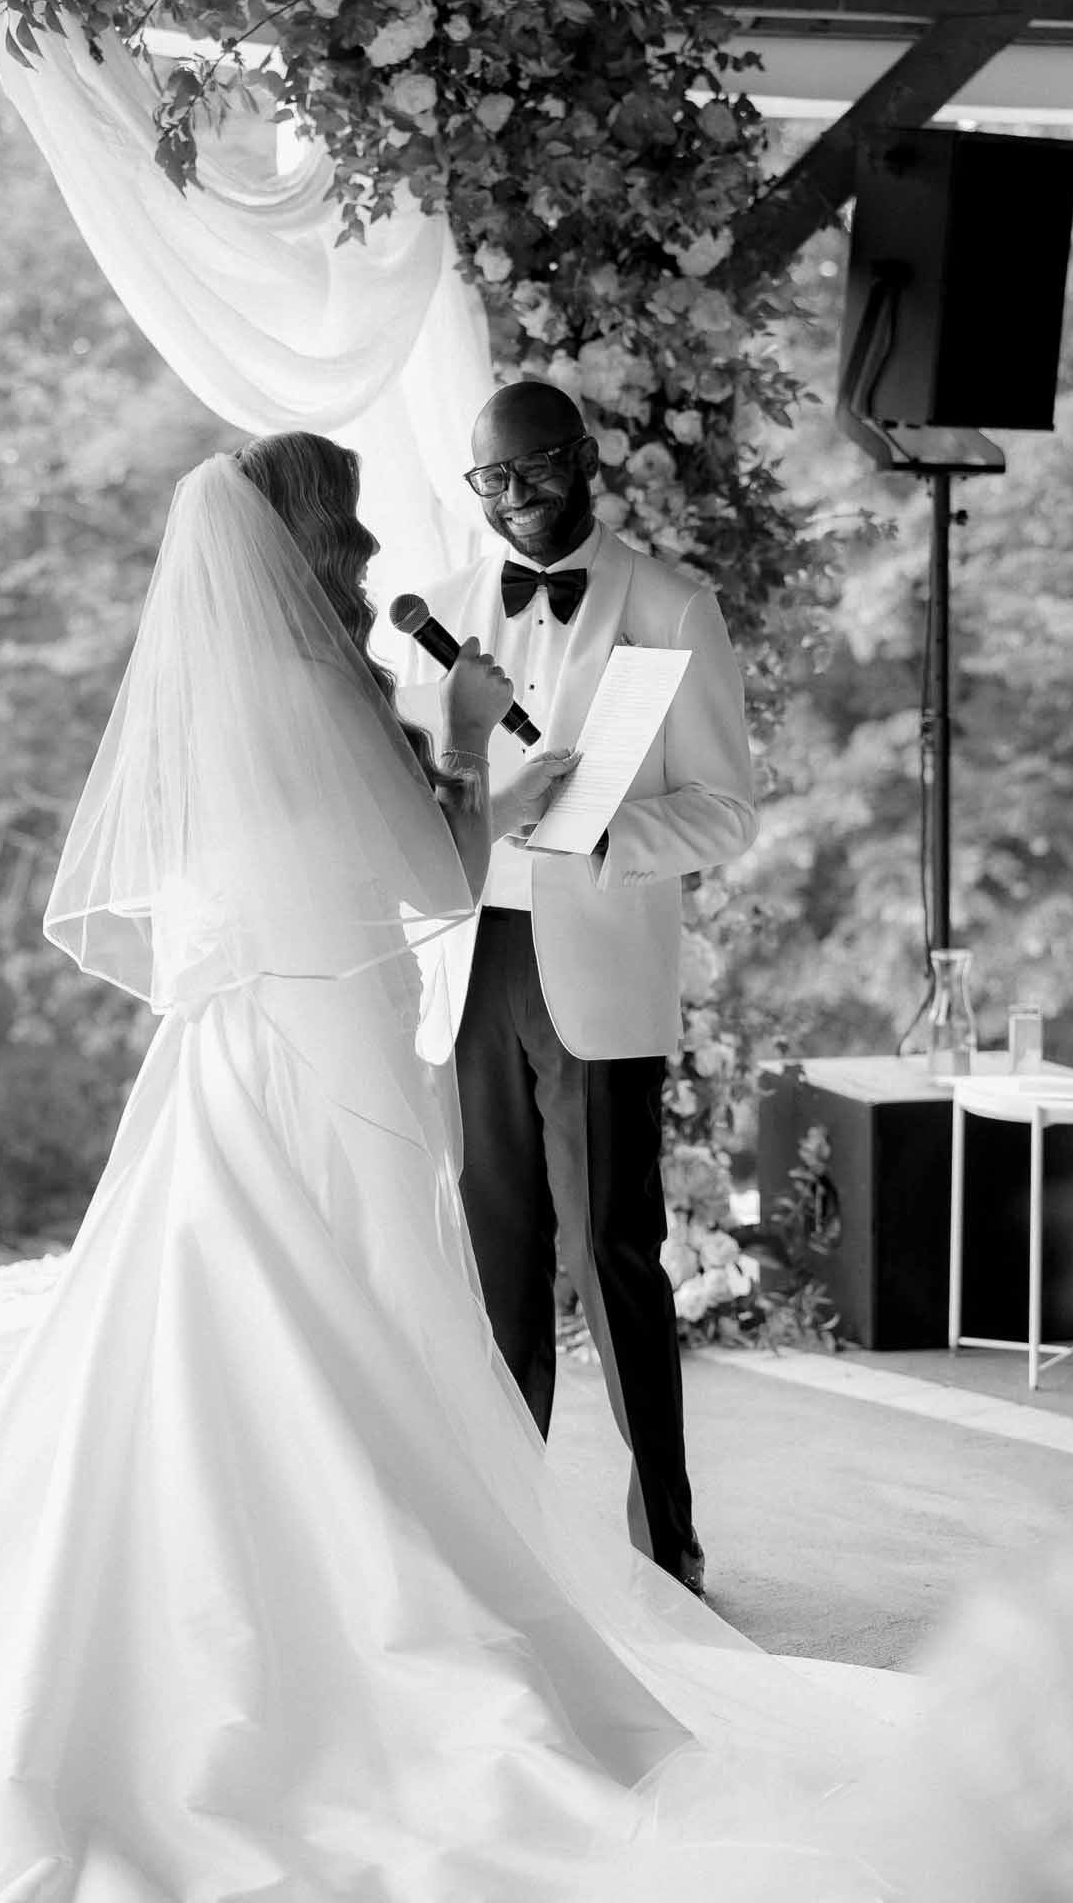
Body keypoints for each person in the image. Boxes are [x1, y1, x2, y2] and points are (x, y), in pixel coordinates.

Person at [0, 434, 1073, 1903]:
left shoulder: (219, 694)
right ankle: (339, 1627)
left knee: (204, 1339)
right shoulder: (320, 690)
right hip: (319, 1064)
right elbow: (433, 885)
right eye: (352, 539)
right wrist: (461, 745)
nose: (373, 564)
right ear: (299, 550)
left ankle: (198, 1620)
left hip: (231, 1065)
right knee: (338, 1331)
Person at [398, 380, 756, 1596]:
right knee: (499, 1262)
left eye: (532, 471)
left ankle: (669, 1538)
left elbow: (725, 808)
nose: (513, 499)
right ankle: (509, 1545)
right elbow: (417, 796)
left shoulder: (670, 605)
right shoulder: (442, 610)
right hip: (473, 965)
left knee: (615, 1258)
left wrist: (609, 833)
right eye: (489, 481)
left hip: (595, 969)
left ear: (583, 456)